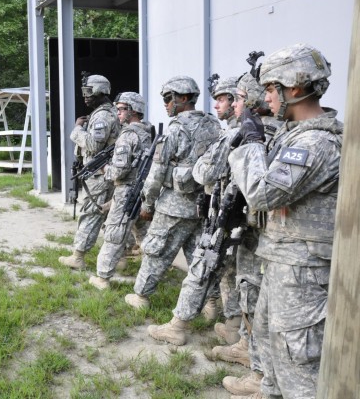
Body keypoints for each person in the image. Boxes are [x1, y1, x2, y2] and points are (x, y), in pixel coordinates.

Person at [227, 43, 342, 399]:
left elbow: (263, 194)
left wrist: (250, 143)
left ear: (294, 89)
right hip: (283, 265)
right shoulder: (295, 136)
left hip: (304, 274)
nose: (267, 98)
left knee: (298, 368)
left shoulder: (314, 144)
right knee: (271, 352)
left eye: (272, 89)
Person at [124, 76, 221, 310]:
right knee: (200, 256)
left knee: (156, 251)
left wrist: (147, 204)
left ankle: (141, 297)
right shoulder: (213, 125)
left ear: (184, 98)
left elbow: (157, 171)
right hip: (203, 205)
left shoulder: (177, 129)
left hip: (174, 205)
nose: (166, 104)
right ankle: (211, 303)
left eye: (169, 98)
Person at [217, 71, 284, 397]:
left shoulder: (258, 134)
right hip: (262, 232)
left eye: (240, 98)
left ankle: (257, 370)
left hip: (260, 233)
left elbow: (249, 185)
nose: (234, 103)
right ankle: (252, 357)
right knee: (253, 296)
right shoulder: (281, 132)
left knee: (253, 296)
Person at [88, 92, 153, 290]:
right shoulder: (146, 131)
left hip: (127, 191)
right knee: (143, 234)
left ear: (132, 110)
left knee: (114, 233)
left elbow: (119, 170)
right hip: (142, 190)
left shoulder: (128, 135)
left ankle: (103, 277)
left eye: (122, 109)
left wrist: (104, 170)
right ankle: (149, 271)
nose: (118, 113)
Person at [59, 74, 120, 270]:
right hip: (108, 172)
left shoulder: (102, 116)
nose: (85, 97)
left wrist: (77, 129)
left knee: (91, 212)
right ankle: (121, 257)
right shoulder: (112, 112)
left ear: (100, 92)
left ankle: (78, 257)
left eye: (88, 92)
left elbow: (94, 145)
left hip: (99, 174)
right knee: (110, 215)